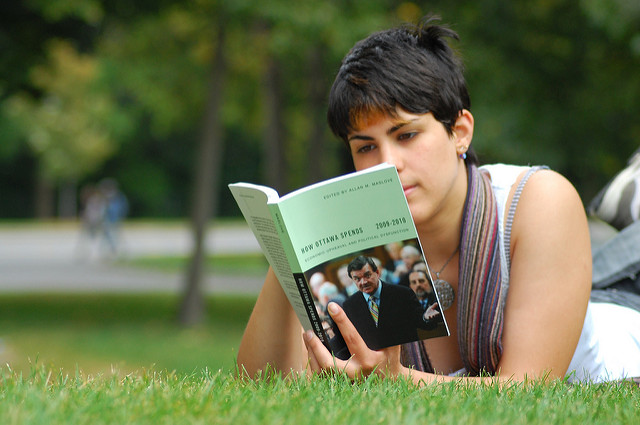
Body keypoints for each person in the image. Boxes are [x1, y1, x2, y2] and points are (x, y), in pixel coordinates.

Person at [237, 16, 640, 384]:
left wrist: (393, 381)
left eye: (406, 135)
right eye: (365, 147)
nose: (387, 164)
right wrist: (288, 246)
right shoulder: (353, 237)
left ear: (460, 131)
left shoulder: (538, 200)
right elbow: (261, 384)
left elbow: (525, 391)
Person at [328, 256, 440, 359]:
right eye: (357, 279)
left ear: (377, 273)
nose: (364, 282)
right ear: (353, 280)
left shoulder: (402, 294)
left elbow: (421, 323)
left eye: (367, 275)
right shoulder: (349, 305)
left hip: (407, 357)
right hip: (374, 364)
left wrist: (425, 317)